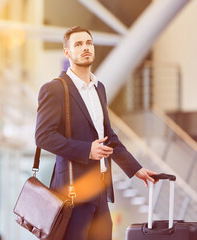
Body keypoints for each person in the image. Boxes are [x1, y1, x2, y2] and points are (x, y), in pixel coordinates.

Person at [35, 26, 157, 240]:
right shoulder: (55, 89)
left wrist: (135, 169)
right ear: (67, 52)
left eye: (89, 43)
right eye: (78, 44)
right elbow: (43, 136)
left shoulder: (98, 88)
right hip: (73, 192)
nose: (85, 48)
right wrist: (86, 150)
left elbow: (108, 137)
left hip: (100, 190)